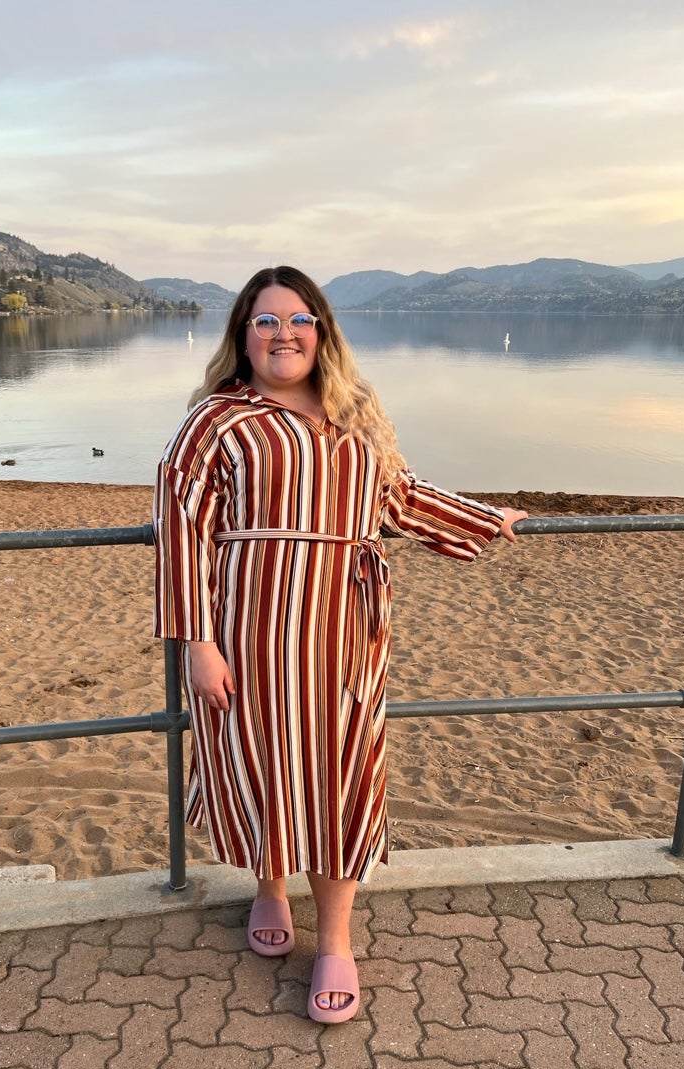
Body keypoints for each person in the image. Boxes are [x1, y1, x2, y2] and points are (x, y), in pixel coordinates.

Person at [153, 266, 526, 1024]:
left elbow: (400, 496)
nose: (282, 333)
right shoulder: (217, 422)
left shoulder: (354, 414)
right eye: (265, 321)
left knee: (339, 775)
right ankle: (266, 886)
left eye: (297, 319)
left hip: (344, 635)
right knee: (261, 762)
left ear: (321, 331)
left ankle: (336, 941)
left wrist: (486, 518)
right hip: (249, 632)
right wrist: (197, 642)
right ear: (243, 336)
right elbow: (180, 532)